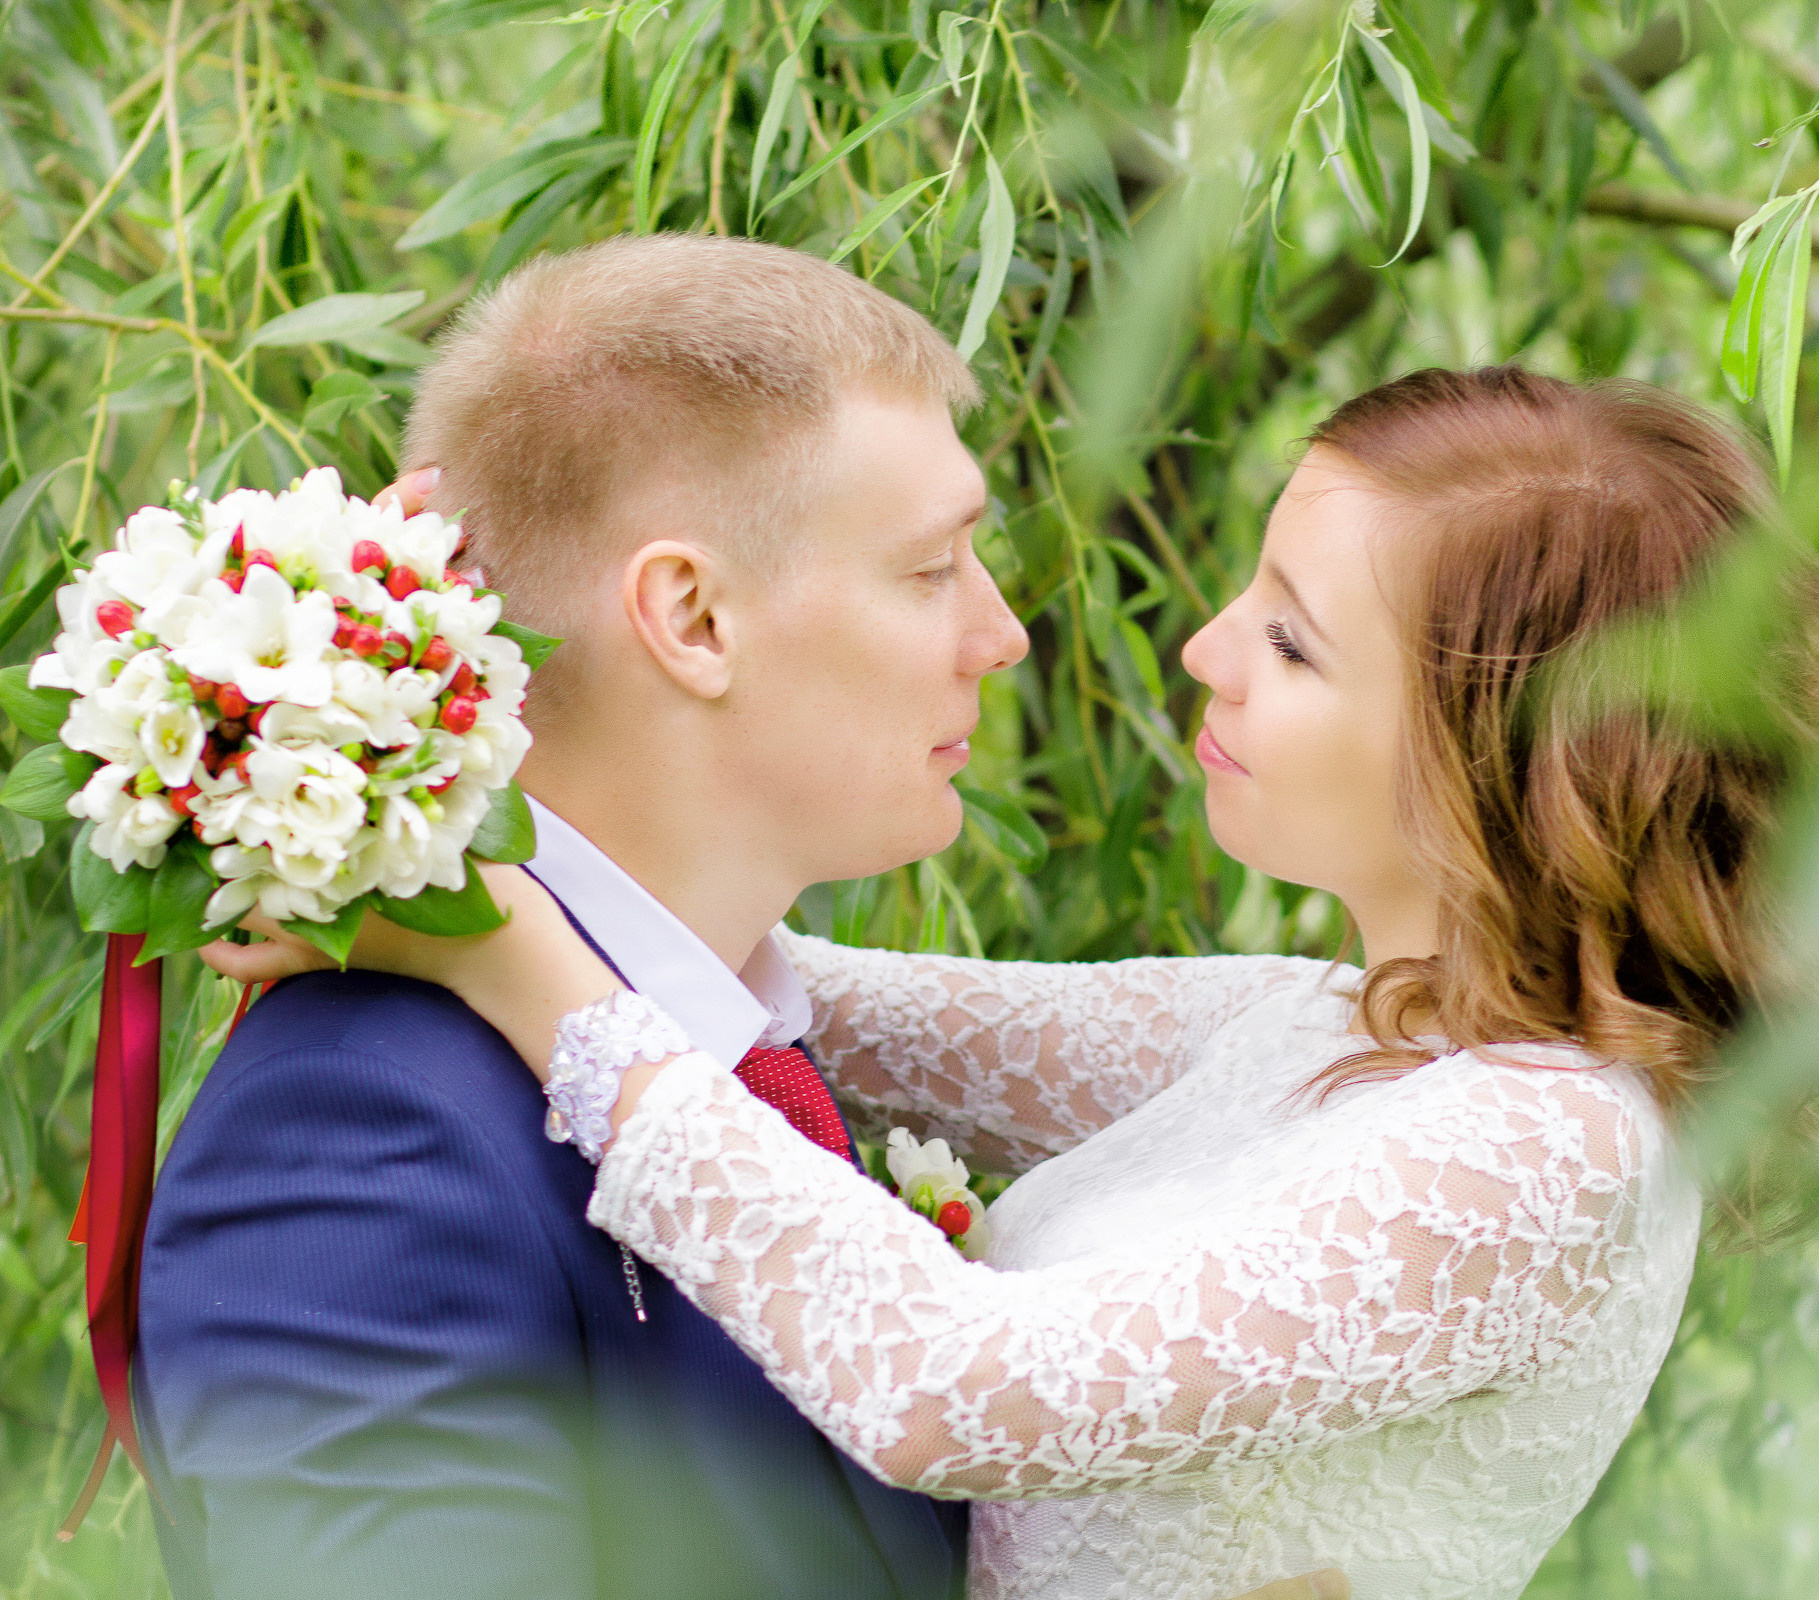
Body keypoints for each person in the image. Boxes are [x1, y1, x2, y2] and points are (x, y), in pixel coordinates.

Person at [216, 366, 1819, 1598]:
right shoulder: (1312, 1026)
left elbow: (946, 1391)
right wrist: (413, 753)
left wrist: (513, 959)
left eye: (1295, 643)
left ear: (1521, 764)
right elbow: (801, 999)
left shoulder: (1548, 1156)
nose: (1205, 648)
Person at [135, 231, 1331, 1600]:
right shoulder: (362, 1140)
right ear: (693, 616)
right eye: (933, 569)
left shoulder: (739, 1065)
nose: (1000, 635)